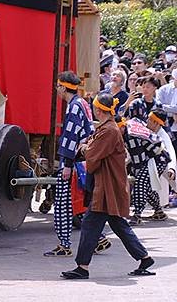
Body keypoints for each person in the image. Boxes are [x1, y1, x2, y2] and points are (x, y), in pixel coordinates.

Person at [61, 93, 155, 280]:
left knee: (90, 223)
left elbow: (92, 156)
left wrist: (84, 147)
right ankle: (144, 258)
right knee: (117, 224)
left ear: (98, 110)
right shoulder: (106, 128)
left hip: (106, 188)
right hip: (106, 186)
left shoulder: (109, 131)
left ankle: (82, 267)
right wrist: (87, 146)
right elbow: (92, 149)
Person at [44, 71, 108, 257]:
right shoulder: (82, 103)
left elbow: (71, 138)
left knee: (63, 205)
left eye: (58, 86)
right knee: (79, 204)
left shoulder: (73, 107)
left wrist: (66, 164)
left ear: (63, 87)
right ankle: (99, 237)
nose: (57, 89)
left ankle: (64, 244)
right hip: (82, 161)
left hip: (73, 162)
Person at [156, 68, 177, 153]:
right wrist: (174, 109)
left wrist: (168, 108)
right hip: (164, 122)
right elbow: (158, 106)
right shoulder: (164, 89)